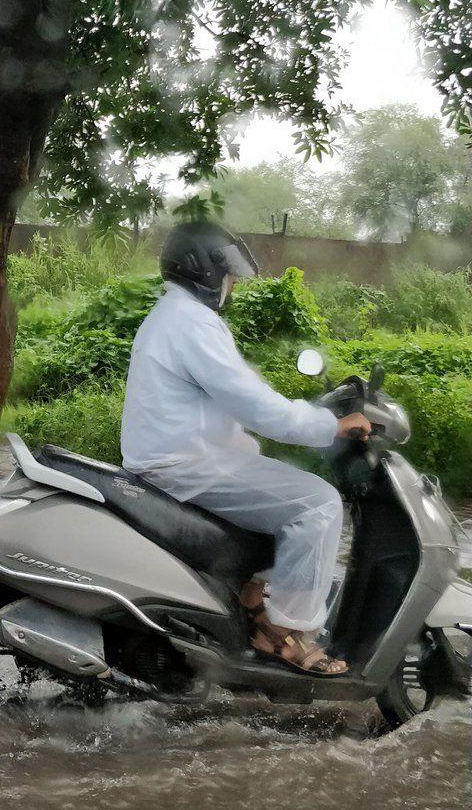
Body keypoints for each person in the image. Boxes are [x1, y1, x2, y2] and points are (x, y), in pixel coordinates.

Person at [120, 221, 372, 676]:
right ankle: (286, 634)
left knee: (279, 488)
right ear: (205, 270)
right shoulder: (191, 323)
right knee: (316, 504)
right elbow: (258, 407)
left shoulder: (177, 317)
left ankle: (252, 598)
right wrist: (330, 424)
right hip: (187, 464)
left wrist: (311, 414)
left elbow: (244, 396)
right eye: (228, 273)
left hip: (186, 456)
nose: (232, 283)